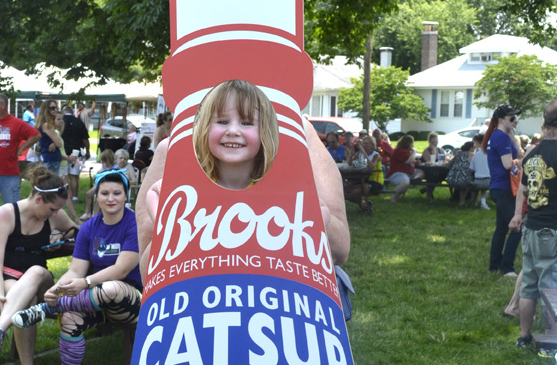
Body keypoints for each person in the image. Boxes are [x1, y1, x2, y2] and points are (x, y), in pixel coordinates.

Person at [138, 80, 350, 279]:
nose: (233, 131)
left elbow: (326, 226)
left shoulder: (285, 181)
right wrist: (170, 222)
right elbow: (149, 266)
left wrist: (303, 223)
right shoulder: (185, 182)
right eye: (222, 121)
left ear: (265, 130)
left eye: (247, 122)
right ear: (204, 127)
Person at [11, 170, 141, 365]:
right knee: (70, 318)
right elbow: (75, 270)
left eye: (117, 193)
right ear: (97, 195)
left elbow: (121, 269)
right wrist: (57, 289)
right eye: (105, 193)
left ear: (126, 195)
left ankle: (44, 310)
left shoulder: (135, 224)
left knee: (112, 288)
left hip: (132, 300)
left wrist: (86, 282)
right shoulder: (89, 227)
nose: (111, 198)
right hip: (94, 299)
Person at [0, 166, 77, 361]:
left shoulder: (56, 217)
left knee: (37, 271)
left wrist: (60, 235)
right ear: (39, 199)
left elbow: (79, 232)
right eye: (53, 209)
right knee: (26, 303)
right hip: (2, 280)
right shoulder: (6, 214)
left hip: (41, 283)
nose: (56, 213)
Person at [508, 100, 557, 349]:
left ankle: (525, 337)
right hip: (552, 230)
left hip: (531, 228)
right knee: (551, 288)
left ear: (544, 123)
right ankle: (551, 343)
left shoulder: (532, 153)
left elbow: (523, 190)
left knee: (529, 285)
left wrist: (518, 215)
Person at [482, 104, 523, 277]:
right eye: (511, 118)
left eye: (516, 118)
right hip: (504, 188)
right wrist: (524, 163)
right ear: (500, 120)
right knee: (516, 228)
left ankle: (494, 265)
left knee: (501, 228)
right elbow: (509, 165)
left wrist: (513, 136)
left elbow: (516, 155)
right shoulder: (500, 137)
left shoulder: (500, 135)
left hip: (500, 188)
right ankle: (507, 268)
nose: (515, 121)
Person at [61, 106, 90, 203]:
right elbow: (85, 138)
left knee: (63, 176)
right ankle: (74, 197)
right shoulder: (78, 122)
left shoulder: (59, 121)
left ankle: (63, 196)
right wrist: (88, 151)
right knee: (74, 176)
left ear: (63, 112)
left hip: (63, 152)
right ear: (72, 112)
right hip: (76, 152)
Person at [80, 149, 116, 221]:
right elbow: (97, 175)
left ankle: (95, 215)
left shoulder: (115, 166)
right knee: (88, 194)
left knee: (98, 198)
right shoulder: (104, 167)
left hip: (108, 184)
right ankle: (87, 213)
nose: (105, 162)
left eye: (106, 160)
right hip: (100, 183)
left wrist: (106, 171)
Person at [386, 135, 423, 203]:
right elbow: (408, 161)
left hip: (408, 172)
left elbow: (408, 161)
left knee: (420, 171)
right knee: (405, 183)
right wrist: (414, 152)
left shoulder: (406, 152)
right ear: (408, 143)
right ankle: (393, 198)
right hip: (397, 173)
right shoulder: (399, 151)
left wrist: (415, 162)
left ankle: (415, 179)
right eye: (412, 143)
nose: (413, 145)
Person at [35, 99, 63, 174]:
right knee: (51, 182)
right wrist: (55, 142)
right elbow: (59, 144)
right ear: (46, 110)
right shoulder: (47, 125)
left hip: (47, 156)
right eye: (52, 108)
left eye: (56, 107)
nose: (55, 110)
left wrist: (54, 142)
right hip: (52, 157)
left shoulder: (43, 124)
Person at [420, 132, 447, 200]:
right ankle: (428, 195)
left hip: (440, 170)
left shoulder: (441, 150)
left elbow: (445, 160)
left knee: (446, 174)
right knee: (432, 176)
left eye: (436, 141)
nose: (435, 143)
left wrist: (444, 162)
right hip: (428, 171)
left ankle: (427, 189)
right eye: (433, 142)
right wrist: (434, 150)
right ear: (429, 142)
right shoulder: (426, 151)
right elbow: (430, 162)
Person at [446, 141, 475, 206]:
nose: (474, 149)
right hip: (463, 179)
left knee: (464, 179)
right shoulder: (471, 154)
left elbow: (448, 166)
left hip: (451, 179)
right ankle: (463, 201)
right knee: (468, 181)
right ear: (470, 148)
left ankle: (459, 199)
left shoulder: (458, 154)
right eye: (474, 147)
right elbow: (471, 167)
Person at [470, 133, 490, 209]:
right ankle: (483, 203)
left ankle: (474, 202)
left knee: (477, 185)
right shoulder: (490, 153)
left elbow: (472, 169)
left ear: (478, 142)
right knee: (483, 188)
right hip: (488, 180)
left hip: (477, 180)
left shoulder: (475, 155)